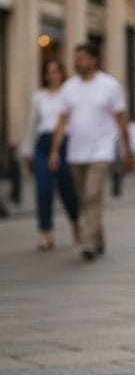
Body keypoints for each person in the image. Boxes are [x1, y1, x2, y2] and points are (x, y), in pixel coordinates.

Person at [49, 43, 134, 261]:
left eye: (83, 57)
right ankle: (98, 240)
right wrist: (55, 151)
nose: (78, 62)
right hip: (76, 153)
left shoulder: (110, 85)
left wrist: (127, 151)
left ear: (94, 60)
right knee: (84, 199)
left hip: (101, 151)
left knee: (92, 194)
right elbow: (62, 121)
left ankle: (88, 241)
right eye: (76, 57)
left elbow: (121, 120)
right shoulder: (69, 87)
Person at [20, 58, 80, 251]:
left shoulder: (69, 93)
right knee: (43, 190)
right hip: (43, 144)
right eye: (49, 72)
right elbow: (32, 125)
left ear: (62, 73)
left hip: (65, 144)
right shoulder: (39, 96)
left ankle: (75, 222)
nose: (53, 75)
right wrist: (27, 151)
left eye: (56, 71)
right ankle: (46, 233)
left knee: (67, 189)